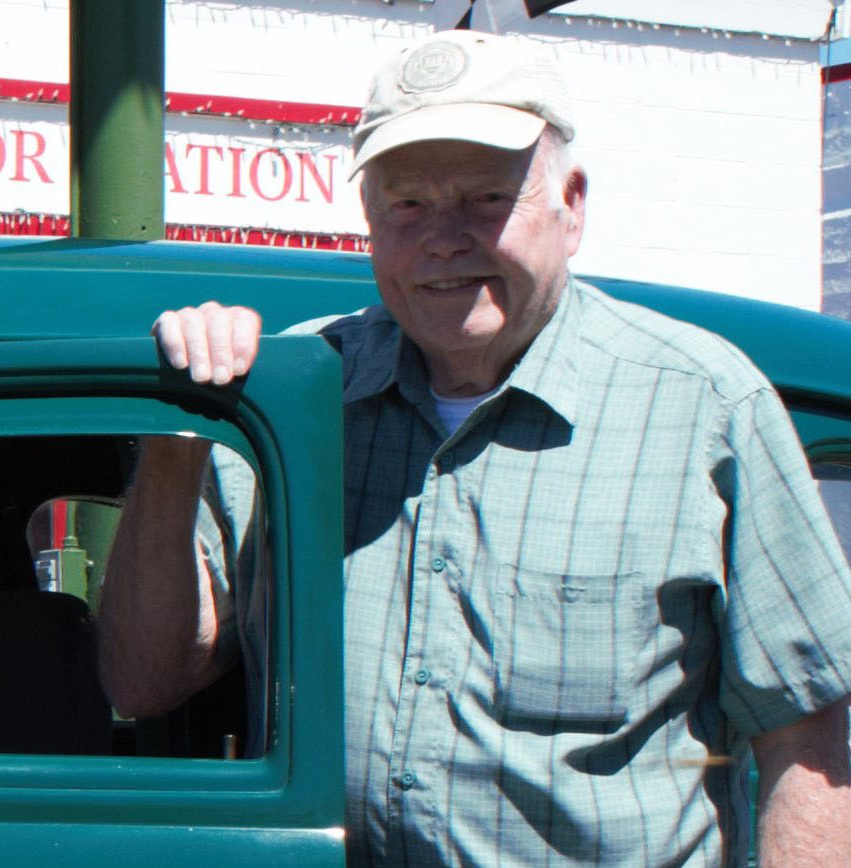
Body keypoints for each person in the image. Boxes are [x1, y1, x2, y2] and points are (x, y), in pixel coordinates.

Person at [97, 29, 851, 866]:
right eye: (408, 204)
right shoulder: (290, 397)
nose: (444, 238)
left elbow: (809, 738)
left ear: (573, 205)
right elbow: (144, 680)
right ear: (370, 222)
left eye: (487, 199)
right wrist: (182, 437)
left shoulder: (702, 407)